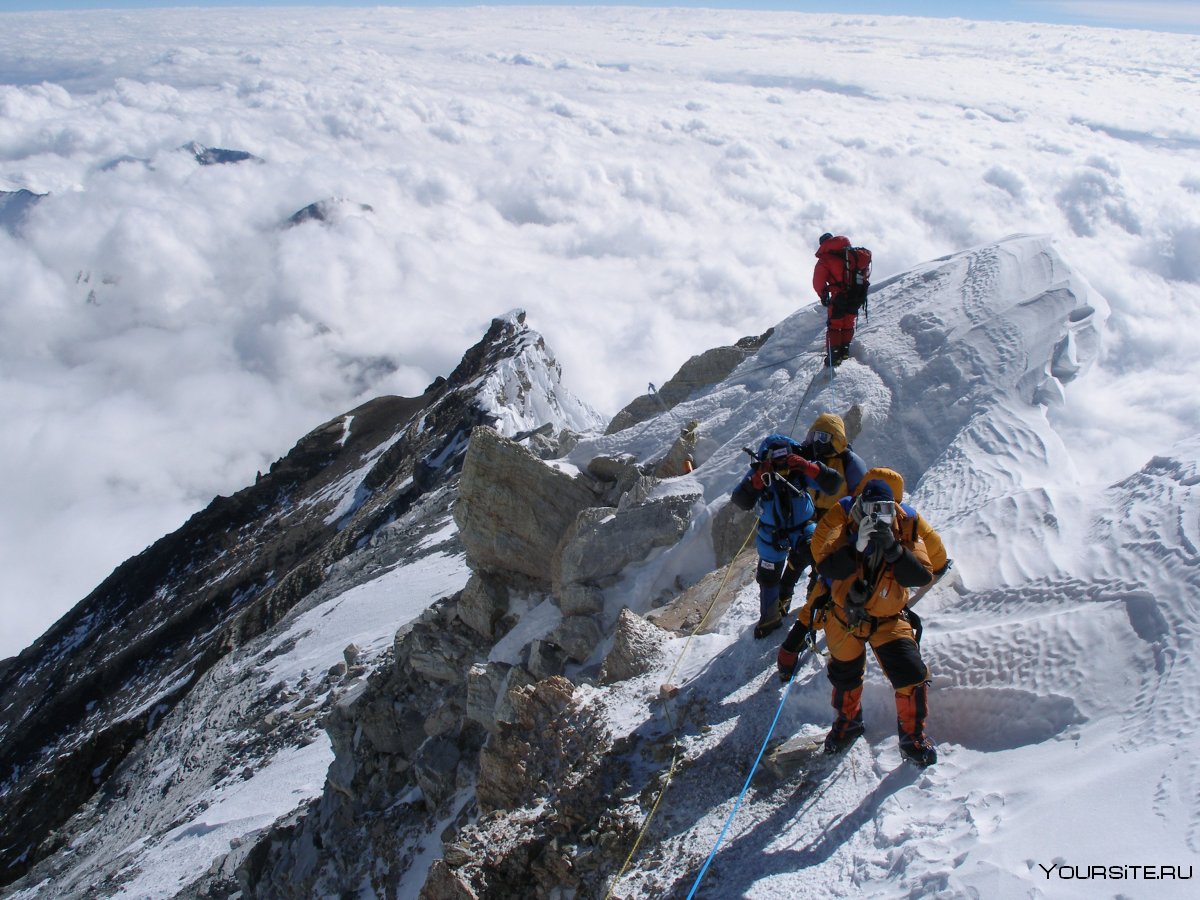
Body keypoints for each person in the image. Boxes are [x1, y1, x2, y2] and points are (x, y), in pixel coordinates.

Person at [778, 467, 948, 767]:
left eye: (883, 509)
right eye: (869, 508)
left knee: (911, 674)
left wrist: (894, 550)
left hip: (888, 617)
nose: (876, 515)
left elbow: (921, 574)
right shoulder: (844, 526)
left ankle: (912, 738)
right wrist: (856, 547)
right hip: (845, 616)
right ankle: (848, 723)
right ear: (858, 506)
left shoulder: (905, 529)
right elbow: (827, 566)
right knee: (845, 676)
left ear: (894, 508)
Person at [730, 433, 843, 639]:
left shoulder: (800, 469)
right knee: (768, 576)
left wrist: (807, 466)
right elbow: (740, 500)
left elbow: (834, 483)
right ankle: (770, 618)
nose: (782, 464)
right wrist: (756, 481)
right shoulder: (761, 473)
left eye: (785, 459)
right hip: (772, 534)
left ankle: (820, 599)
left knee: (821, 555)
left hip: (803, 527)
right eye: (777, 460)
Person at [778, 412, 869, 649]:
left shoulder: (851, 462)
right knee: (795, 562)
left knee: (821, 573)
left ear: (836, 438)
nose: (818, 441)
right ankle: (782, 601)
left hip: (834, 527)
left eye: (824, 436)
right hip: (808, 523)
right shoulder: (806, 457)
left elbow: (861, 496)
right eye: (814, 435)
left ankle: (811, 621)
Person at [814, 232, 859, 366]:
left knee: (835, 325)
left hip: (838, 295)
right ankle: (844, 351)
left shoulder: (825, 259)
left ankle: (834, 356)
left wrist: (823, 295)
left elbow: (818, 281)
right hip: (855, 294)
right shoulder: (852, 253)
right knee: (848, 322)